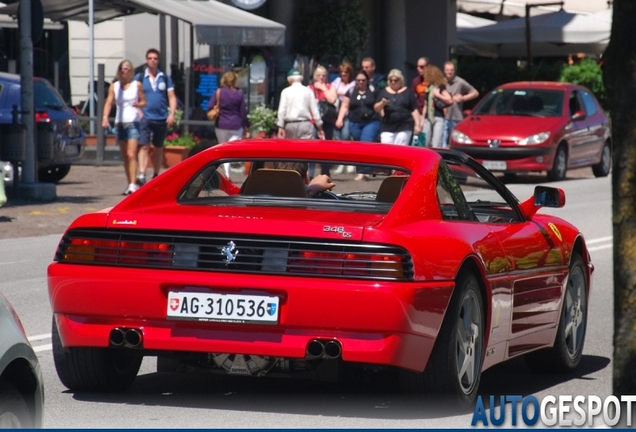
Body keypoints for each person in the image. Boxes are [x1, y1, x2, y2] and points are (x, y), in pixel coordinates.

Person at [102, 60, 147, 195]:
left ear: (131, 71)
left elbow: (144, 101)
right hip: (119, 123)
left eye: (126, 68)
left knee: (131, 154)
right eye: (121, 68)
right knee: (125, 156)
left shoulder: (136, 85)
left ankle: (133, 184)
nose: (124, 71)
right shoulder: (114, 86)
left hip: (133, 122)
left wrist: (138, 105)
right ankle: (130, 183)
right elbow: (109, 103)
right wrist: (105, 118)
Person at [135, 48, 178, 185]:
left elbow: (171, 97)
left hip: (161, 117)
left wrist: (172, 114)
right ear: (146, 60)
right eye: (150, 58)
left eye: (155, 58)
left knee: (158, 147)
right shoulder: (140, 77)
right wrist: (139, 112)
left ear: (158, 61)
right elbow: (134, 96)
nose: (153, 61)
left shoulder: (165, 77)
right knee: (143, 145)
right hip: (145, 116)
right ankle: (141, 174)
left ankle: (155, 174)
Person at [335, 70, 380, 180]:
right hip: (354, 122)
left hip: (371, 122)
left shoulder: (373, 90)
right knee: (359, 147)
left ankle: (363, 172)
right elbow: (345, 105)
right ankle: (365, 169)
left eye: (363, 80)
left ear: (367, 81)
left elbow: (378, 105)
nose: (361, 82)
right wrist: (340, 119)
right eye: (358, 80)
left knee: (366, 143)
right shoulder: (351, 91)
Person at [207, 71, 250, 179]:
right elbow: (243, 113)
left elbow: (209, 105)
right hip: (236, 126)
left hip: (221, 125)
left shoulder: (219, 92)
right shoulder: (239, 93)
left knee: (223, 149)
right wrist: (247, 126)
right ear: (234, 80)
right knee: (230, 151)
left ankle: (226, 173)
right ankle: (227, 173)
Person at [374, 69, 421, 146]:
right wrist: (382, 103)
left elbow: (414, 110)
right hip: (387, 126)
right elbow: (376, 109)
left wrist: (417, 124)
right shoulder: (383, 92)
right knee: (386, 151)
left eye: (396, 80)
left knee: (401, 150)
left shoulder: (408, 92)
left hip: (404, 126)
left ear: (401, 80)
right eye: (391, 80)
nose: (393, 82)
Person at [277, 68, 325, 140]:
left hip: (290, 125)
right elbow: (315, 111)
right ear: (301, 79)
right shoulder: (308, 91)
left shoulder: (285, 92)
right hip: (305, 125)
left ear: (289, 79)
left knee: (291, 149)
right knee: (306, 149)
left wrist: (280, 126)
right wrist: (320, 127)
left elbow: (281, 111)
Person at [308, 65, 338, 175]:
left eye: (324, 75)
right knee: (312, 148)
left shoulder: (330, 86)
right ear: (315, 76)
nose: (321, 77)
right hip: (313, 122)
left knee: (327, 148)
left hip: (328, 121)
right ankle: (310, 174)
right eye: (319, 75)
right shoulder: (309, 88)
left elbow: (332, 99)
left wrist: (323, 88)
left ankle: (325, 172)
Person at [442, 61, 479, 148]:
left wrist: (463, 98)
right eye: (447, 70)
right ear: (444, 71)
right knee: (442, 143)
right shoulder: (441, 82)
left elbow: (475, 93)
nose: (449, 72)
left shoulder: (460, 82)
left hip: (456, 117)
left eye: (451, 70)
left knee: (454, 143)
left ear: (454, 71)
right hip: (443, 116)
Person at [423, 65, 453, 148]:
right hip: (428, 117)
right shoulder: (428, 88)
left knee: (436, 143)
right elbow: (425, 105)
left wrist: (438, 95)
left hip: (438, 116)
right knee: (426, 141)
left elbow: (449, 99)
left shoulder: (440, 87)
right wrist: (422, 119)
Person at [411, 57, 429, 125]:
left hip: (432, 113)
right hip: (420, 113)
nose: (418, 69)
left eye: (421, 67)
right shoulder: (416, 81)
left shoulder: (433, 80)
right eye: (417, 67)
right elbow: (413, 99)